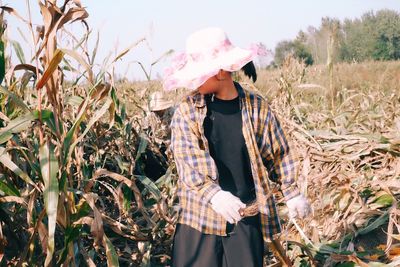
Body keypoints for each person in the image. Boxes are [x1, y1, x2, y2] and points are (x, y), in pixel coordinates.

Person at [163, 27, 311, 267]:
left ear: (221, 72)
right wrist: (215, 195)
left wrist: (292, 193)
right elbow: (186, 159)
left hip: (245, 217)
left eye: (201, 73)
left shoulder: (256, 107)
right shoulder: (187, 111)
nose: (194, 80)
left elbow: (279, 154)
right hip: (199, 219)